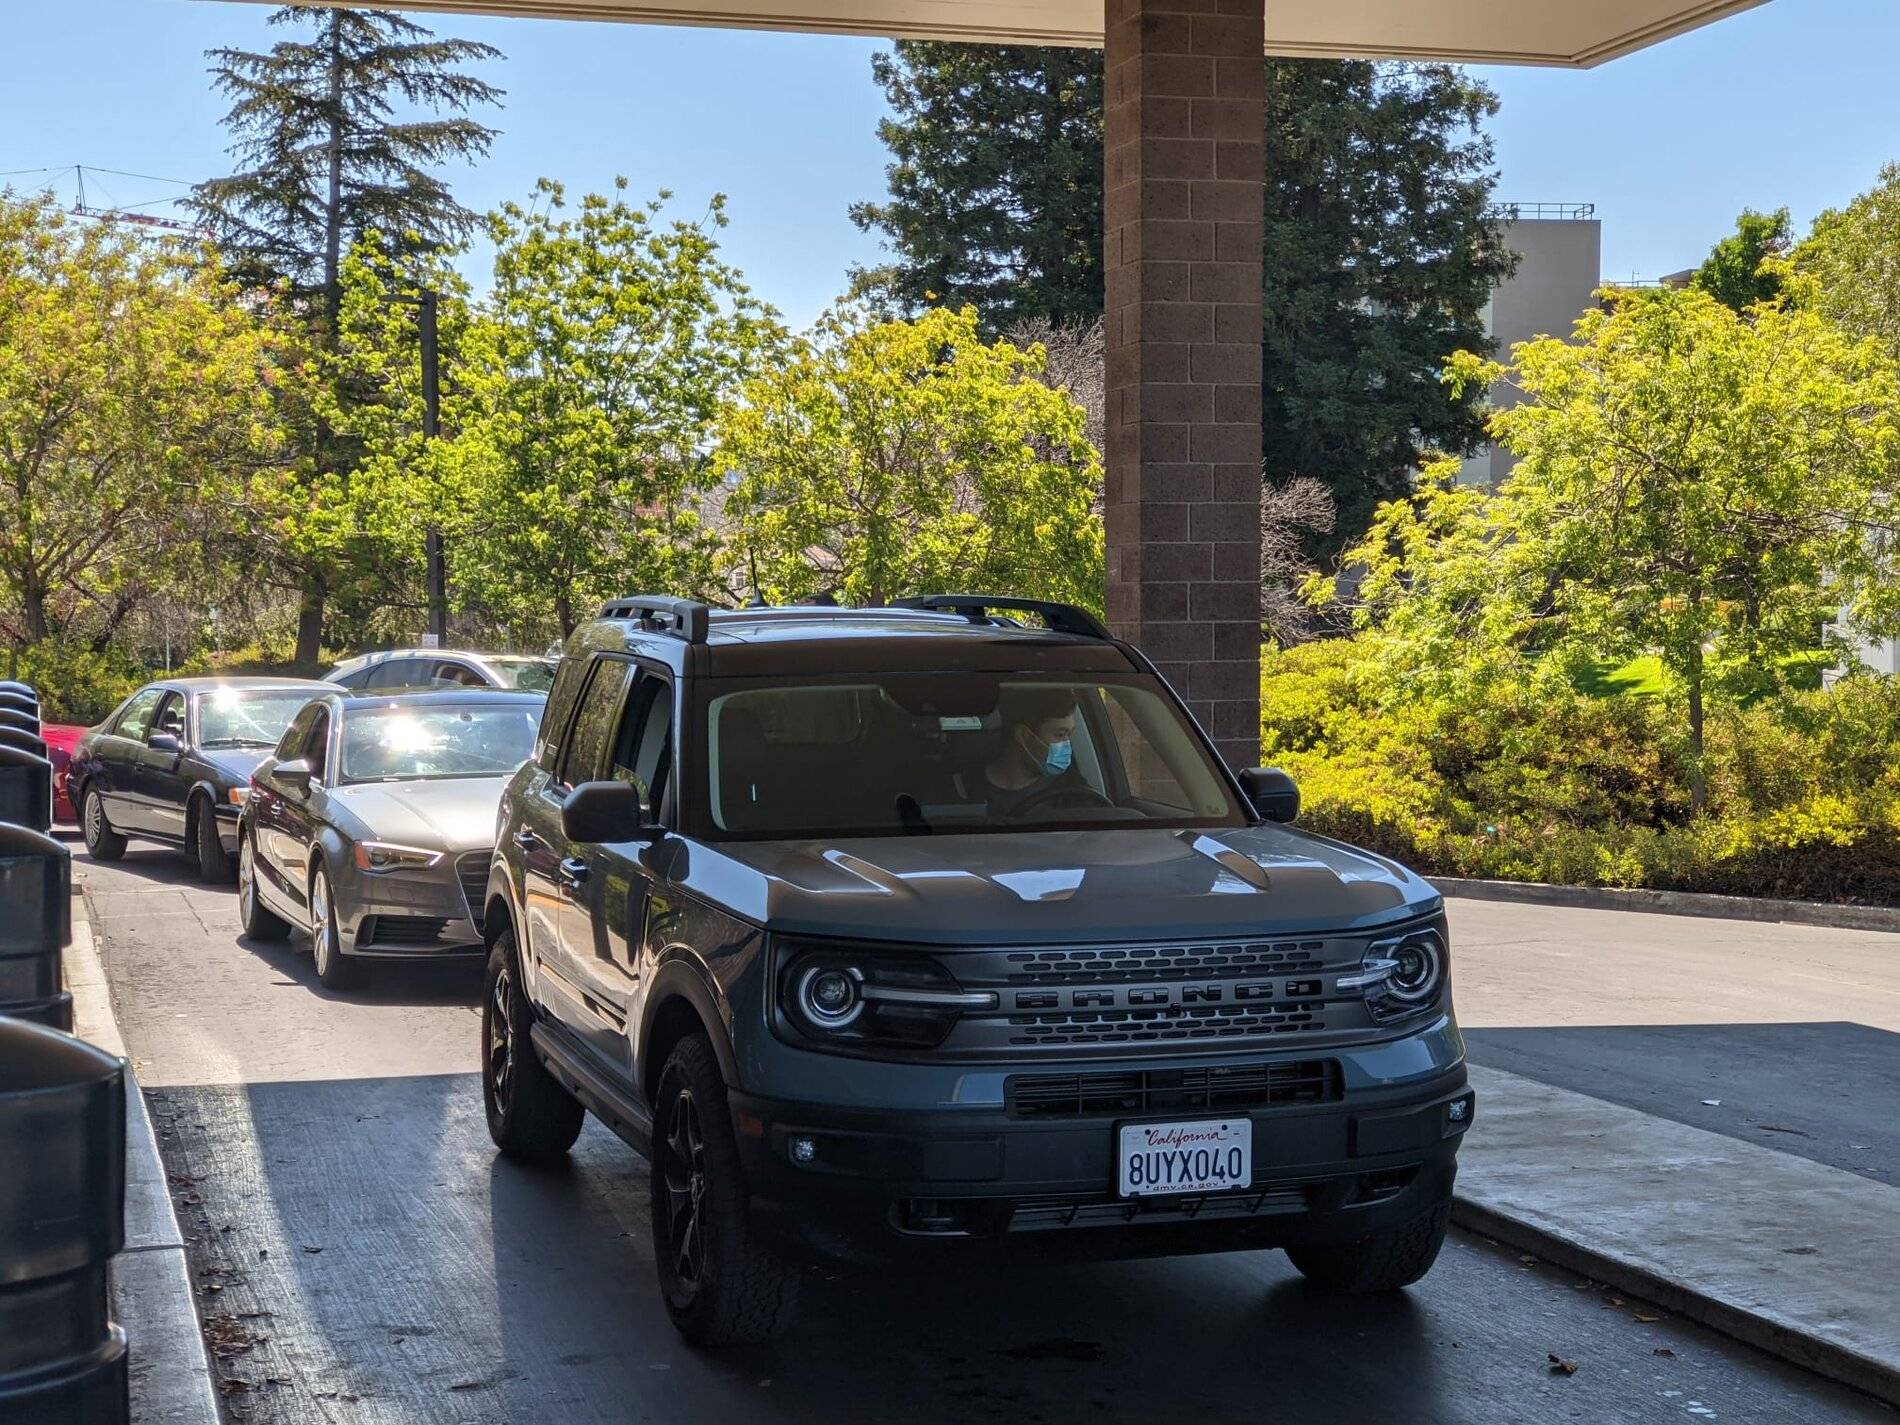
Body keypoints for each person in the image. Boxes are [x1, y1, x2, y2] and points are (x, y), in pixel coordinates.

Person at [974, 686, 1076, 804]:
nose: (1066, 745)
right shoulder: (965, 787)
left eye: (1070, 735)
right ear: (1023, 735)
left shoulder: (1072, 793)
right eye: (1060, 735)